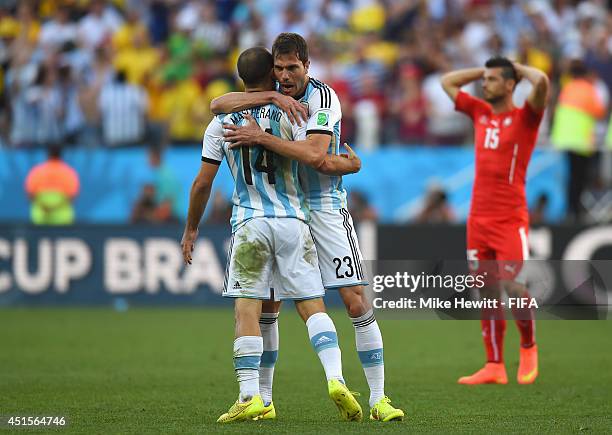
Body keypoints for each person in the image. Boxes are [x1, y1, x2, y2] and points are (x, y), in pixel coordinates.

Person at [214, 33, 404, 422]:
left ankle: (379, 398)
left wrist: (264, 138)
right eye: (279, 69)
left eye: (292, 68)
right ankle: (263, 400)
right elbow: (217, 104)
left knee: (354, 299)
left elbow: (317, 156)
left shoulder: (322, 98)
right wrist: (268, 98)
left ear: (307, 66)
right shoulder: (269, 97)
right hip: (286, 212)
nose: (285, 76)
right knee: (269, 305)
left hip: (323, 207)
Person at [181, 47, 363, 423]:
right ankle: (336, 377)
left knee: (248, 309)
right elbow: (315, 157)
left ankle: (251, 395)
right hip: (294, 221)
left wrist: (192, 227)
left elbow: (202, 183)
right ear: (272, 75)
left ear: (242, 78)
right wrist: (348, 164)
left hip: (249, 222)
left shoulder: (221, 123)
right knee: (312, 304)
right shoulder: (294, 112)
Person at [441, 57, 549, 385]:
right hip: (478, 219)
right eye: (483, 78)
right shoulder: (480, 112)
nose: (483, 83)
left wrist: (517, 67)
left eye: (491, 79)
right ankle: (494, 365)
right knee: (486, 292)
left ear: (510, 84)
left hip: (510, 218)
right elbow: (448, 81)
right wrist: (483, 69)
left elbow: (542, 82)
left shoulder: (526, 117)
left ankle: (528, 347)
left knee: (513, 285)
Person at [25, 146, 79, 225]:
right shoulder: (68, 172)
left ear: (47, 155)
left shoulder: (37, 171)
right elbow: (72, 196)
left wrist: (45, 207)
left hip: (41, 215)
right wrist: (55, 207)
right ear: (61, 155)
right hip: (62, 217)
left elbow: (30, 195)